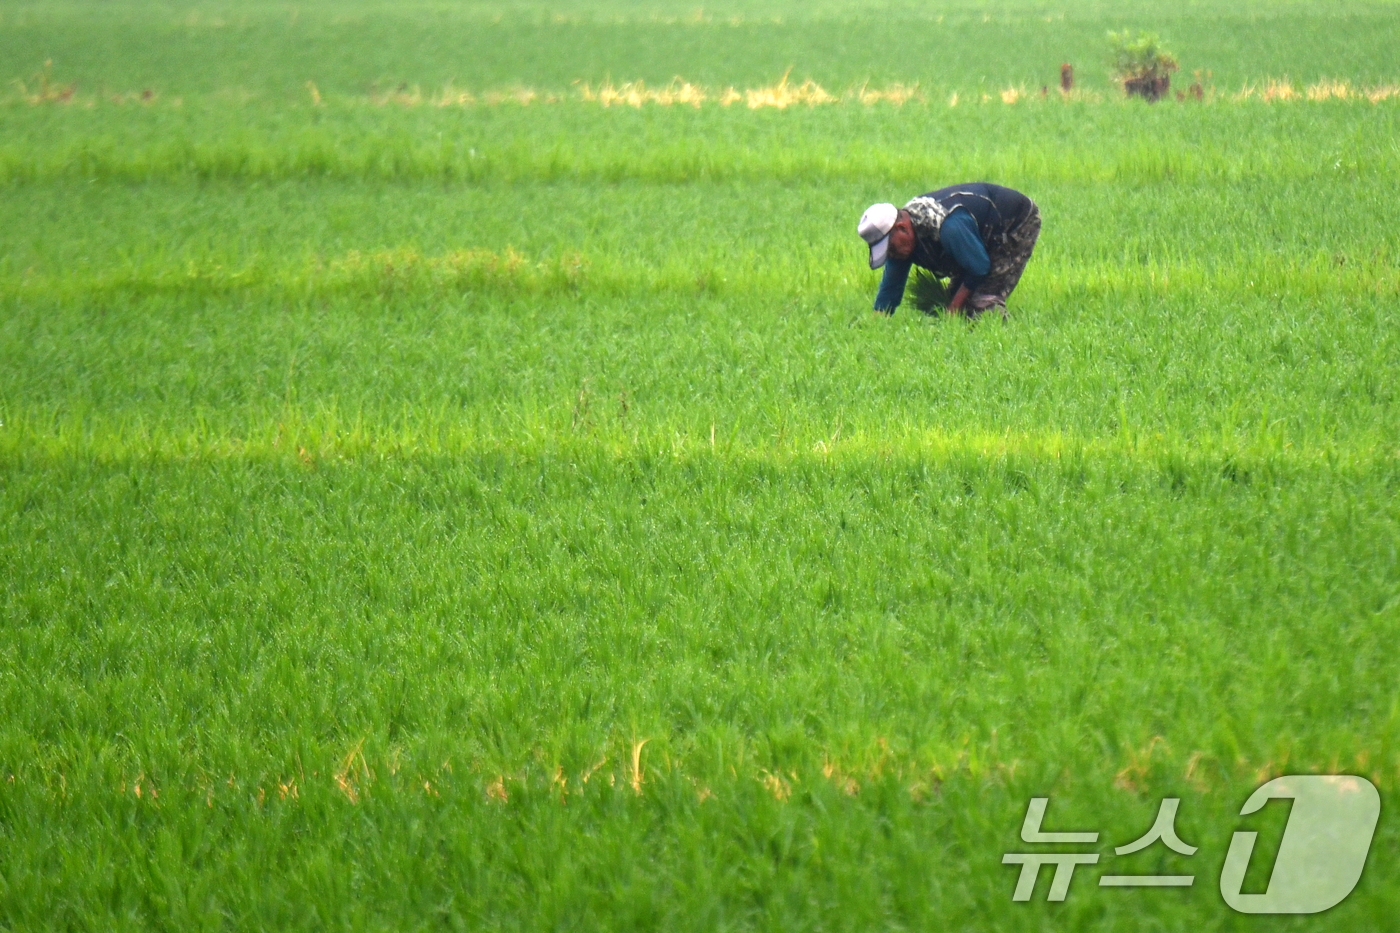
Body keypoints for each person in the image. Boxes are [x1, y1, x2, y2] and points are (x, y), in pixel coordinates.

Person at [857, 183, 1040, 317]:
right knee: (950, 301)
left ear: (902, 228)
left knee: (980, 303)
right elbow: (891, 290)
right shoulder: (902, 242)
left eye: (891, 248)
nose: (892, 255)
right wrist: (874, 327)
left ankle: (1007, 343)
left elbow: (979, 267)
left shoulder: (947, 226)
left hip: (1013, 222)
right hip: (975, 234)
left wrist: (953, 309)